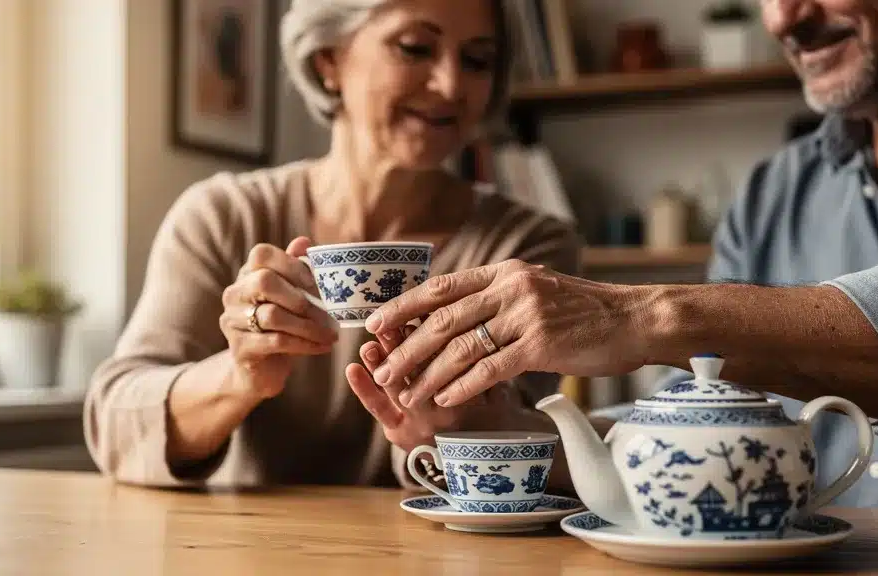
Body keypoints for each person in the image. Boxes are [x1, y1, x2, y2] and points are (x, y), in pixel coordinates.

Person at [358, 0, 878, 509]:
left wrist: (647, 315)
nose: (783, 17)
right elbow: (681, 425)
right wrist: (506, 436)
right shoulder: (771, 195)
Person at [84, 0, 580, 489]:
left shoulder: (525, 248)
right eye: (414, 48)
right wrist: (239, 376)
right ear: (330, 60)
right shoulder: (225, 216)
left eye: (477, 60)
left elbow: (518, 452)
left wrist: (454, 428)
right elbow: (115, 426)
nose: (450, 84)